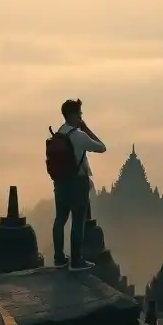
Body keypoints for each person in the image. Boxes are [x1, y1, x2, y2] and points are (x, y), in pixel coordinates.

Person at [53, 98, 107, 271]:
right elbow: (102, 147)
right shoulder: (79, 136)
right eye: (79, 114)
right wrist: (86, 128)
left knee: (60, 220)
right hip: (77, 183)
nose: (81, 118)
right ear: (72, 115)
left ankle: (59, 258)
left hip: (60, 183)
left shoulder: (59, 134)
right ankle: (76, 260)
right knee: (78, 222)